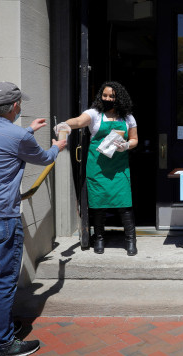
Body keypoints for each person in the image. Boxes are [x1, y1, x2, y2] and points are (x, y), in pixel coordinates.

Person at [0, 82, 67, 356]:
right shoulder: (17, 136)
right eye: (19, 103)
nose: (20, 107)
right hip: (1, 217)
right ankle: (2, 344)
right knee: (3, 282)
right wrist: (58, 146)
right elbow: (44, 157)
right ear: (14, 107)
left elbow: (6, 140)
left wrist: (29, 130)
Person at [54, 81, 139, 256]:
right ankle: (99, 238)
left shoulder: (128, 117)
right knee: (98, 203)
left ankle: (130, 240)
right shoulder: (94, 114)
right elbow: (78, 121)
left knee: (125, 204)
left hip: (119, 167)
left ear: (119, 98)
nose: (107, 98)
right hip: (97, 166)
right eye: (105, 95)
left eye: (112, 96)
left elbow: (135, 139)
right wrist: (66, 125)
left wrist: (127, 145)